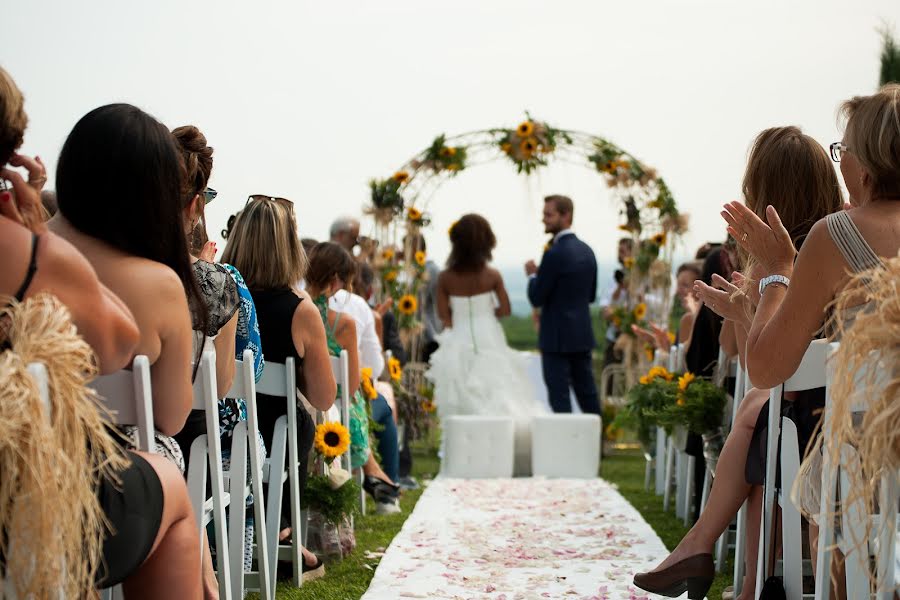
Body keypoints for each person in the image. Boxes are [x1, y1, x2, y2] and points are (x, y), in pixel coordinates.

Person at [0, 66, 203, 598]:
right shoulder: (149, 283)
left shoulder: (40, 239)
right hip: (55, 496)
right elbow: (172, 416)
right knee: (171, 480)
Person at [633, 124, 846, 599]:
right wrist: (744, 309)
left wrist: (760, 293)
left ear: (764, 192)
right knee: (760, 418)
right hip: (811, 408)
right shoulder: (822, 240)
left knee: (759, 416)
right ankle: (733, 573)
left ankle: (715, 558)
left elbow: (768, 367)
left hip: (820, 415)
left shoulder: (804, 253)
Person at [220, 196, 334, 580]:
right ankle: (281, 529)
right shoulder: (301, 312)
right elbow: (323, 397)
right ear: (290, 247)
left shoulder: (214, 295)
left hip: (219, 433)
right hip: (273, 441)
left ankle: (268, 530)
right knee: (300, 419)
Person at [430, 213, 545, 475]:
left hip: (457, 341)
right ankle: (503, 454)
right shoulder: (492, 275)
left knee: (459, 395)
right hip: (489, 339)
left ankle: (465, 456)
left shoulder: (446, 278)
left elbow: (443, 317)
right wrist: (484, 314)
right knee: (500, 393)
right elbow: (505, 309)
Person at [306, 241, 402, 513]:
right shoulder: (344, 322)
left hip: (299, 400)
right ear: (336, 280)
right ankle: (377, 475)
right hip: (333, 405)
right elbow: (349, 387)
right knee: (358, 398)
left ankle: (376, 474)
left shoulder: (296, 309)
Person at [524, 195, 600, 415]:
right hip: (582, 335)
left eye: (549, 214)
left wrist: (531, 276)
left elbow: (537, 297)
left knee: (559, 398)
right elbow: (591, 296)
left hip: (556, 338)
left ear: (566, 215)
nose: (544, 220)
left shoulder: (554, 254)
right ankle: (595, 446)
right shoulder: (588, 251)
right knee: (588, 396)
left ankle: (565, 446)